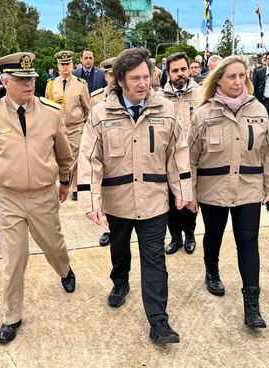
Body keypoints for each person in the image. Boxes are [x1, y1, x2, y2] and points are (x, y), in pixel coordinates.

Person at [77, 48, 192, 345]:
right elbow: (90, 160)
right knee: (119, 249)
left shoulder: (165, 110)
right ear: (120, 81)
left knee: (154, 260)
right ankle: (120, 282)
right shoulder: (101, 114)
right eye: (135, 78)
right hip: (117, 201)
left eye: (146, 77)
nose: (143, 84)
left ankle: (159, 321)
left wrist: (183, 192)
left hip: (154, 201)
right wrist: (91, 201)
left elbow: (177, 154)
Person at [0, 52, 76, 344]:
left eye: (31, 79)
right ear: (5, 81)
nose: (28, 84)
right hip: (10, 199)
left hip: (43, 196)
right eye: (21, 79)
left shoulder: (51, 113)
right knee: (14, 259)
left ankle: (64, 270)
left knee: (53, 244)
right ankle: (11, 316)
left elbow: (64, 153)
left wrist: (65, 181)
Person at [187, 55, 269, 328]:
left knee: (248, 243)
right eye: (231, 77)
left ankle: (252, 306)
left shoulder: (259, 110)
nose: (238, 82)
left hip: (249, 190)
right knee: (213, 235)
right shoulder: (203, 114)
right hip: (213, 190)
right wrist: (190, 193)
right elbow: (190, 158)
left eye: (242, 76)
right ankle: (211, 271)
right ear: (219, 80)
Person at [160, 52, 202, 255]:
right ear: (168, 73)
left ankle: (190, 235)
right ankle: (175, 237)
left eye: (183, 69)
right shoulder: (159, 98)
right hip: (168, 161)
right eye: (175, 70)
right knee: (170, 203)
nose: (180, 74)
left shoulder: (201, 95)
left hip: (192, 159)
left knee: (189, 201)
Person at [46, 50, 90, 201]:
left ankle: (75, 186)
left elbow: (87, 108)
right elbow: (47, 107)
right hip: (57, 128)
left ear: (72, 65)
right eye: (62, 64)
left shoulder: (81, 85)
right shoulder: (51, 85)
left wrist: (85, 127)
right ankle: (61, 182)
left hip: (75, 127)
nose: (65, 67)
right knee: (59, 156)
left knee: (74, 157)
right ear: (58, 67)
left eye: (67, 64)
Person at [89, 56, 117, 247]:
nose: (113, 78)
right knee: (103, 192)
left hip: (121, 150)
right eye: (109, 74)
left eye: (116, 74)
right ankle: (108, 229)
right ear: (106, 76)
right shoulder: (96, 97)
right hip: (103, 148)